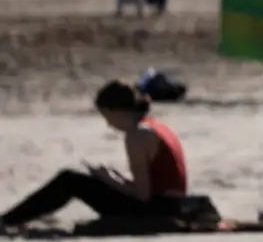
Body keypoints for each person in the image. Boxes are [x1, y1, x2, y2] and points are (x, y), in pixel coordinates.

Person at [3, 80, 189, 230]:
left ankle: (8, 220)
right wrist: (116, 178)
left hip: (156, 211)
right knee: (76, 178)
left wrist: (109, 179)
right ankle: (12, 218)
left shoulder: (137, 135)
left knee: (70, 180)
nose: (109, 124)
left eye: (107, 117)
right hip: (171, 205)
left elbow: (142, 195)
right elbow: (148, 187)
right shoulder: (155, 126)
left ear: (116, 111)